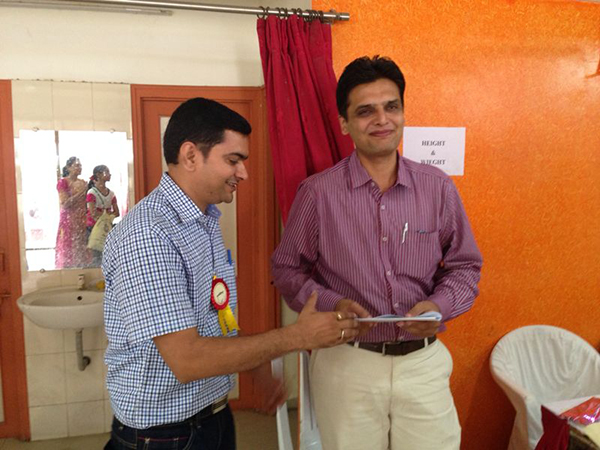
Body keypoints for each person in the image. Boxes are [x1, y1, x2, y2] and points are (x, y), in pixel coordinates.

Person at [102, 97, 359, 450]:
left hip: (212, 417)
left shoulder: (203, 223)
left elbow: (215, 320)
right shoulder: (149, 234)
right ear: (190, 155)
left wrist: (257, 369)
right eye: (233, 160)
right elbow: (187, 359)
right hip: (164, 436)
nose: (243, 173)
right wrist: (297, 337)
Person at [271, 56, 483, 450]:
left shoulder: (437, 187)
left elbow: (465, 266)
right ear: (344, 123)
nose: (382, 119)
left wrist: (438, 306)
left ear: (403, 112)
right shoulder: (318, 194)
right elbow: (286, 269)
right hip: (347, 363)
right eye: (365, 111)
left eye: (391, 106)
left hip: (422, 364)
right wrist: (333, 304)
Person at [55, 156, 88, 268]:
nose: (79, 168)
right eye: (76, 165)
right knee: (69, 245)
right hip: (68, 219)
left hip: (81, 218)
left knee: (81, 245)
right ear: (68, 168)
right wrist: (81, 193)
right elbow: (64, 203)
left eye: (80, 166)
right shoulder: (63, 182)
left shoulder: (83, 182)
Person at [86, 165, 119, 266]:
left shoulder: (111, 193)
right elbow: (93, 212)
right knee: (96, 254)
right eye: (107, 172)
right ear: (99, 175)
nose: (109, 175)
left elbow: (117, 212)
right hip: (94, 227)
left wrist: (105, 215)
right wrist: (108, 215)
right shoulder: (92, 193)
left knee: (107, 252)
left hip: (106, 227)